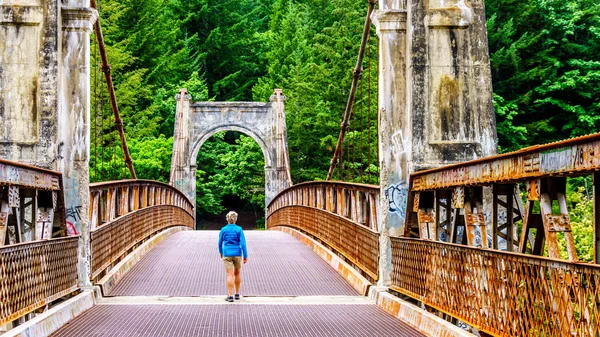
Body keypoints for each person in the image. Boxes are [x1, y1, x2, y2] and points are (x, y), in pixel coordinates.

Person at [218, 211, 248, 302]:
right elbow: (243, 243)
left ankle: (230, 296)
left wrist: (221, 252)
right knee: (237, 273)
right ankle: (237, 294)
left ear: (227, 219)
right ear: (235, 219)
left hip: (227, 253)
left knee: (229, 274)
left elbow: (220, 242)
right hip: (237, 253)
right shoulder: (239, 229)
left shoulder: (223, 229)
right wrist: (245, 255)